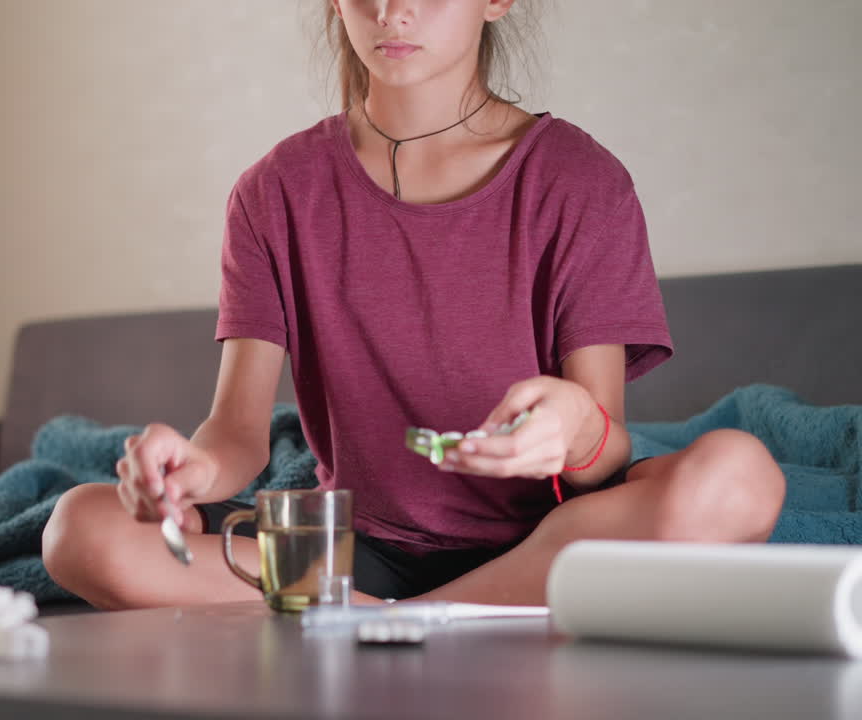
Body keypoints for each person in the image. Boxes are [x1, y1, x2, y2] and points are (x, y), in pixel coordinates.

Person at [41, 0, 786, 609]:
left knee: (741, 476)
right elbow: (239, 433)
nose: (393, 11)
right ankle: (401, 619)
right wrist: (192, 472)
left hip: (545, 547)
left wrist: (573, 426)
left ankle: (415, 622)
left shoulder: (581, 183)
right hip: (352, 557)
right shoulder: (274, 192)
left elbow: (604, 454)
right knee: (80, 528)